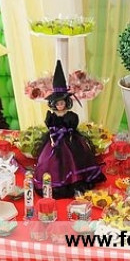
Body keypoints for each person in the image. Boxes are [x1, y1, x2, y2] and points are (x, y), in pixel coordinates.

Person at [33, 60, 106, 198]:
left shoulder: (70, 116)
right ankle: (54, 183)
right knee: (50, 161)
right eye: (57, 103)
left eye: (62, 103)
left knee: (73, 159)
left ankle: (75, 182)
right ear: (53, 104)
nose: (60, 106)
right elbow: (50, 128)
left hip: (70, 140)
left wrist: (69, 134)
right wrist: (53, 138)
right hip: (54, 140)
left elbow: (72, 126)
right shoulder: (51, 116)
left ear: (66, 102)